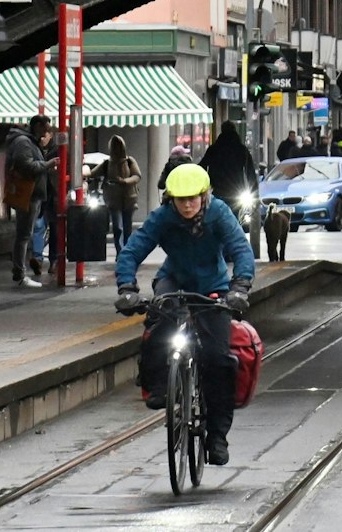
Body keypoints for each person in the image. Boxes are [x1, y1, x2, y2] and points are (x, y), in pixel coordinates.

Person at [114, 164, 255, 464]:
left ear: (204, 196)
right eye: (181, 199)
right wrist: (127, 287)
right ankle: (159, 384)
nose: (187, 204)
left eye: (193, 198)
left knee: (218, 360)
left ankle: (217, 436)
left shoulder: (218, 212)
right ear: (171, 199)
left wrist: (240, 287)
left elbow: (241, 250)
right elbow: (132, 250)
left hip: (214, 286)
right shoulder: (163, 217)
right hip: (174, 280)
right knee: (159, 323)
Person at [6, 115, 58, 288]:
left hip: (33, 194)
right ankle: (19, 273)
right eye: (45, 128)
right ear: (36, 126)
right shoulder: (24, 142)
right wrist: (47, 164)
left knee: (26, 233)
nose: (47, 132)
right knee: (24, 234)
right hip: (28, 194)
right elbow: (27, 166)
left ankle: (19, 271)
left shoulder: (28, 141)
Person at [91, 135, 143, 255]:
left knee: (127, 227)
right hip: (113, 199)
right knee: (117, 227)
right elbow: (93, 173)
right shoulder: (107, 163)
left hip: (129, 199)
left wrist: (125, 181)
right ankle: (120, 251)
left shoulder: (129, 161)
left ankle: (127, 249)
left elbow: (137, 175)